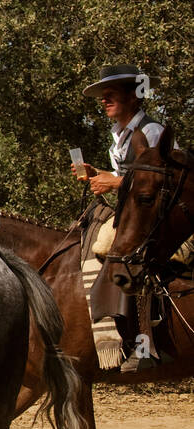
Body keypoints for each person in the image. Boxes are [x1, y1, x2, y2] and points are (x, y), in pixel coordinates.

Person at [73, 64, 173, 372]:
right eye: (103, 96)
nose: (104, 101)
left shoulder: (152, 132)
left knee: (117, 251)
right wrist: (100, 176)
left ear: (134, 96)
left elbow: (164, 179)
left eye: (111, 94)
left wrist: (114, 183)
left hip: (157, 217)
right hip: (136, 213)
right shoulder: (118, 137)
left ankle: (146, 344)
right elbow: (127, 177)